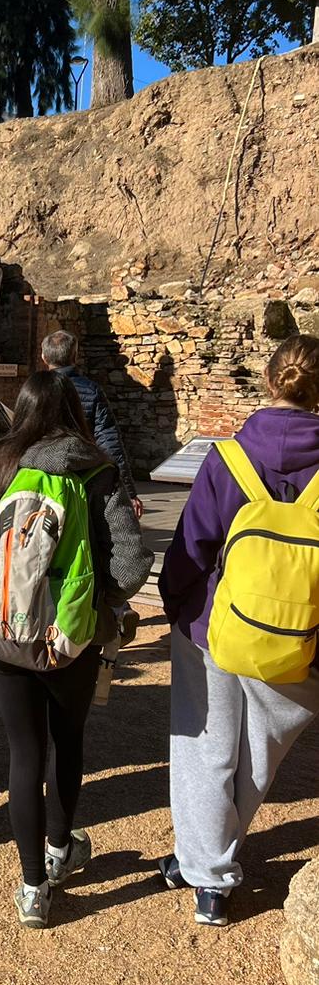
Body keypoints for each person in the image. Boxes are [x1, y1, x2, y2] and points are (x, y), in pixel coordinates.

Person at [0, 370, 152, 928]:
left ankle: (34, 887)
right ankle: (60, 849)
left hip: (2, 633)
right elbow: (129, 568)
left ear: (22, 411)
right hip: (70, 636)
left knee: (23, 752)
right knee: (68, 739)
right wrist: (91, 596)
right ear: (75, 412)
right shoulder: (96, 471)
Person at [158, 334, 319, 927]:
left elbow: (191, 548)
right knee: (258, 757)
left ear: (270, 383)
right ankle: (205, 860)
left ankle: (208, 877)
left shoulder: (226, 460)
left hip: (214, 624)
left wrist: (176, 608)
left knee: (205, 751)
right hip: (302, 635)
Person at [41, 330, 142, 518]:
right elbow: (110, 443)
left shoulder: (34, 389)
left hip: (41, 474)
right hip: (82, 475)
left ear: (44, 357)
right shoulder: (91, 390)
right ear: (75, 356)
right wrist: (128, 491)